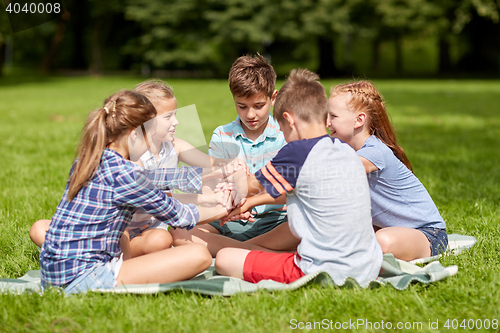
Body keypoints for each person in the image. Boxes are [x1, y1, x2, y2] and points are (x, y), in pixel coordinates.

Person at [39, 90, 228, 294]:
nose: (149, 145)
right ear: (135, 134)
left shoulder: (88, 160)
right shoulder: (127, 174)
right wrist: (226, 206)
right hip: (83, 278)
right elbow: (180, 215)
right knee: (198, 255)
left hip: (52, 274)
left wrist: (210, 186)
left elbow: (154, 179)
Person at [215, 69, 383, 286]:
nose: (285, 137)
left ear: (288, 120)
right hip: (369, 267)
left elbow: (245, 187)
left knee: (225, 258)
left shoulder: (298, 152)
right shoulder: (344, 150)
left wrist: (229, 181)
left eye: (283, 130)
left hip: (324, 271)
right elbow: (300, 192)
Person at [171, 54, 288, 255]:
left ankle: (236, 250)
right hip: (229, 219)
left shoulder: (286, 133)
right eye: (242, 106)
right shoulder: (222, 134)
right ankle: (254, 251)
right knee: (178, 233)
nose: (250, 115)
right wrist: (231, 206)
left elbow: (289, 186)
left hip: (276, 220)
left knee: (305, 226)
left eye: (258, 106)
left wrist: (250, 200)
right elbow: (213, 184)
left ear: (274, 98)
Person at [327, 80, 448, 261]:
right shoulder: (344, 150)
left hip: (428, 234)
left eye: (333, 116)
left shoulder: (375, 152)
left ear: (359, 120)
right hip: (387, 229)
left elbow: (338, 171)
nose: (326, 122)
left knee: (382, 242)